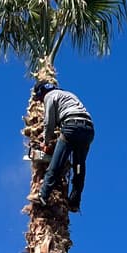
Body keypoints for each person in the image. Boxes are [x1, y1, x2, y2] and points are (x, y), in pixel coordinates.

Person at [31, 81, 95, 212]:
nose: (41, 102)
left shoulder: (49, 96)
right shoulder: (67, 94)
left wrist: (46, 143)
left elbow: (49, 123)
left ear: (42, 92)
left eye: (40, 99)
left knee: (55, 164)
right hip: (88, 130)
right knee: (78, 168)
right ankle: (74, 202)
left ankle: (42, 196)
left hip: (71, 127)